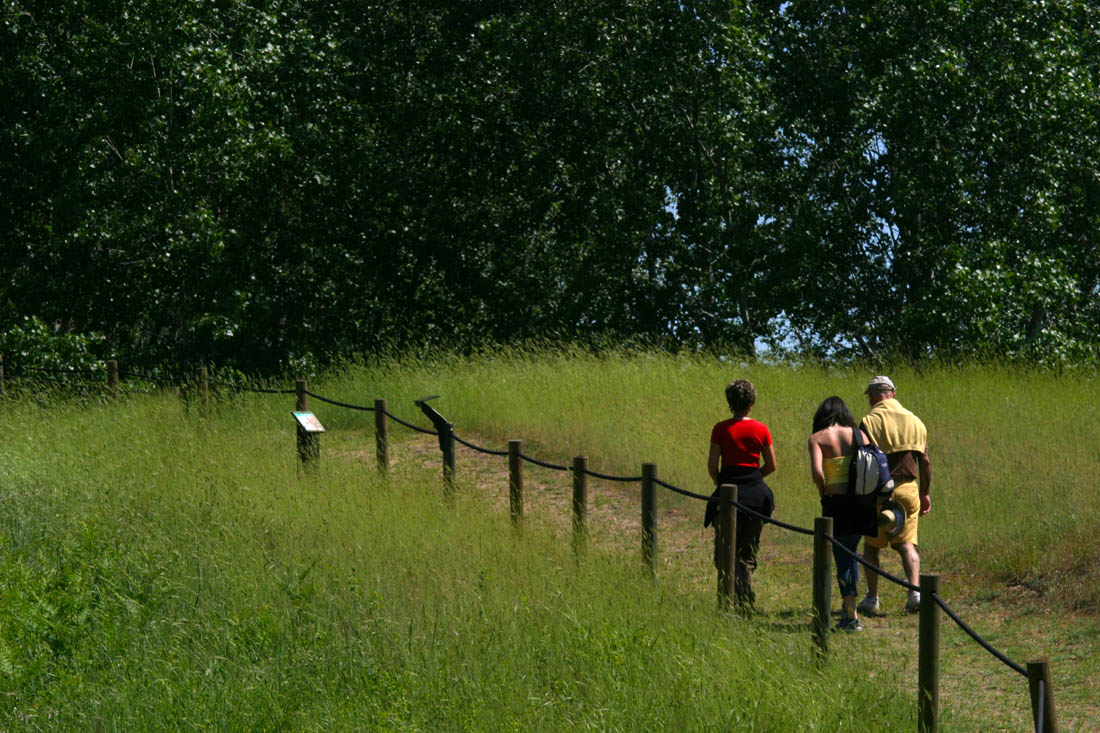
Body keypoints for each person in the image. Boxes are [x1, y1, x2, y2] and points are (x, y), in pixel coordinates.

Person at [856, 376, 932, 615]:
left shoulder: (868, 421)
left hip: (879, 491)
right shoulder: (915, 421)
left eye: (869, 396)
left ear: (874, 395)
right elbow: (925, 461)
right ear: (892, 394)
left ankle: (872, 598)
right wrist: (925, 493)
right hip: (909, 489)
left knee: (871, 547)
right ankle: (915, 593)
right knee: (907, 544)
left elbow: (863, 460)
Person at [703, 379, 777, 611]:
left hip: (728, 495)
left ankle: (729, 602)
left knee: (724, 553)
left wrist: (721, 482)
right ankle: (745, 603)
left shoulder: (720, 428)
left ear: (729, 402)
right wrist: (754, 479)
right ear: (751, 402)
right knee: (747, 553)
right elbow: (771, 465)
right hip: (756, 496)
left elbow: (713, 466)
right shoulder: (761, 429)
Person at [808, 396, 880, 632]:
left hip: (834, 503)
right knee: (850, 554)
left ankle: (851, 616)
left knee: (843, 559)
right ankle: (850, 609)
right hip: (860, 502)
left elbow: (818, 473)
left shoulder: (817, 438)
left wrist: (823, 492)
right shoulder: (860, 434)